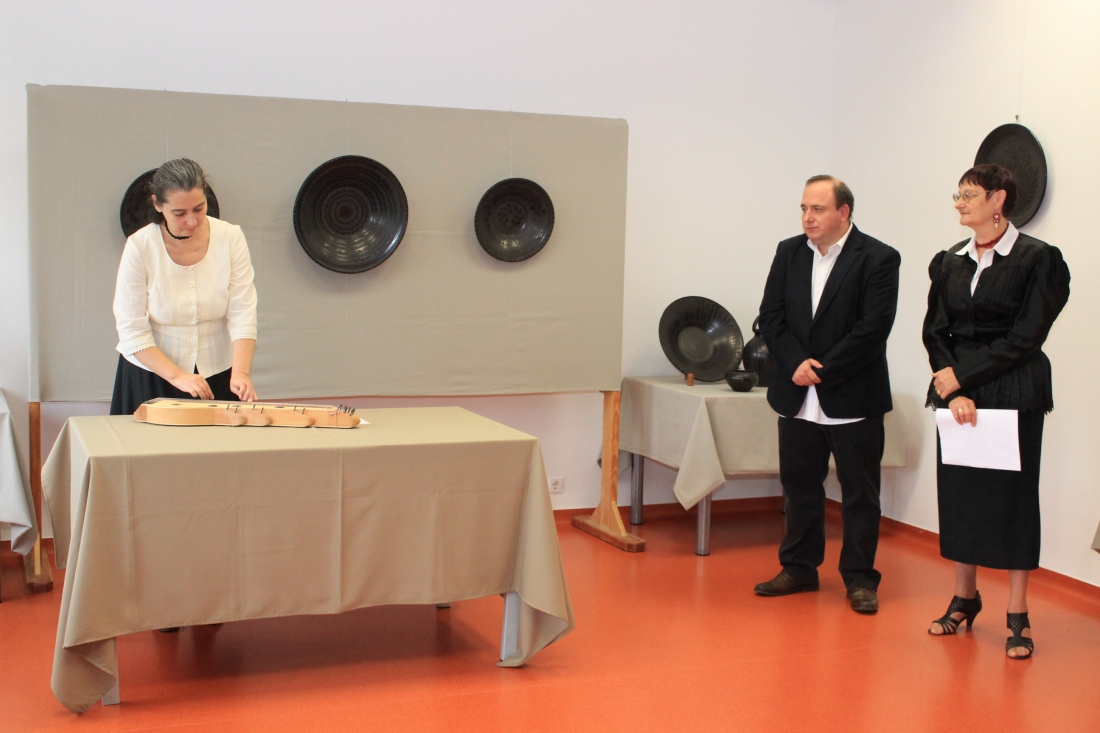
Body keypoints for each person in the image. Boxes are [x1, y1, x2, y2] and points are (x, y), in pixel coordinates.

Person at [923, 163, 1069, 658]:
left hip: (1014, 390)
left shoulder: (1039, 259)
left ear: (998, 200)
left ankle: (1018, 612)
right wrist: (953, 390)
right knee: (960, 496)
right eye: (958, 195)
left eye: (969, 195)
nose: (959, 203)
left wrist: (962, 377)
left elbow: (1027, 337)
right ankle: (964, 598)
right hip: (957, 392)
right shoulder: (949, 261)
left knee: (1013, 501)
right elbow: (934, 332)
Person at [754, 175, 901, 614]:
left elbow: (873, 329)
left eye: (817, 209)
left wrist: (821, 370)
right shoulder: (789, 252)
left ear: (843, 212)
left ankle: (860, 579)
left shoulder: (878, 257)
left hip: (853, 395)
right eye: (803, 208)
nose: (807, 217)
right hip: (797, 394)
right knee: (799, 487)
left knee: (859, 494)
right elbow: (771, 316)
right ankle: (799, 568)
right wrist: (795, 363)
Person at [111, 158, 259, 415]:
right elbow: (131, 330)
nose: (192, 221)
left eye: (199, 209)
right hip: (152, 374)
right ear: (158, 205)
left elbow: (243, 312)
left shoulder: (230, 237)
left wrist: (241, 373)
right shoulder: (140, 246)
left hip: (218, 372)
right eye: (179, 213)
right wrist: (177, 376)